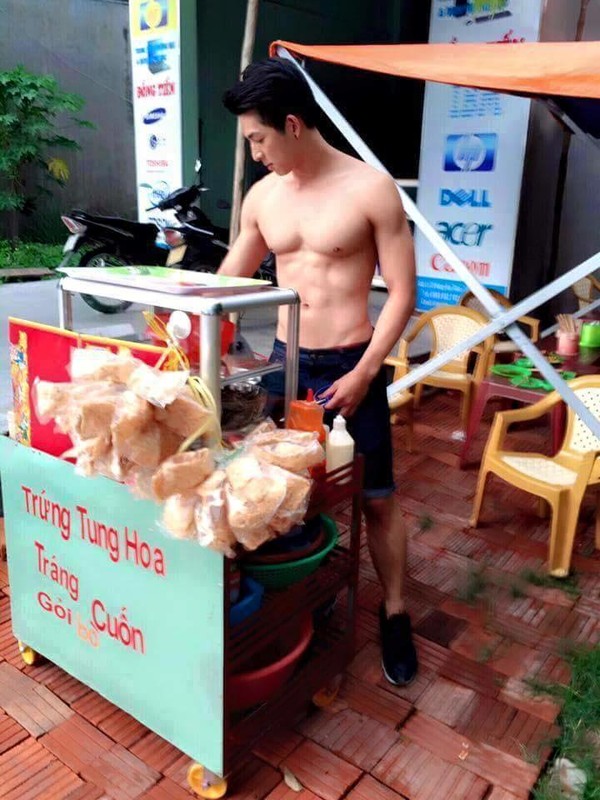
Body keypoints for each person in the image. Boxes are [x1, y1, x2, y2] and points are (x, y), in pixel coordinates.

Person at [220, 57, 417, 685]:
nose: (255, 154)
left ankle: (395, 610)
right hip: (285, 365)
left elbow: (403, 293)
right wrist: (189, 332)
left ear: (293, 124)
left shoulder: (370, 189)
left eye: (259, 139)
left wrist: (366, 372)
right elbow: (225, 284)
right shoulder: (263, 198)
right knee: (279, 491)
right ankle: (306, 586)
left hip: (350, 365)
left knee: (376, 497)